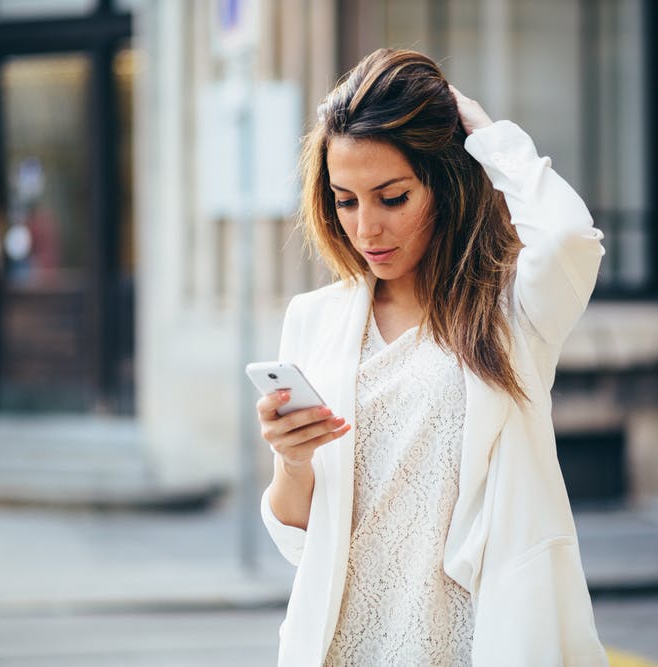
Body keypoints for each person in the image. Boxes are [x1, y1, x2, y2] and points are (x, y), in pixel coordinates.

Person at [257, 48, 608, 666]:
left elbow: (569, 237)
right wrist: (293, 461)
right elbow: (295, 541)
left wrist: (487, 136)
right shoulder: (314, 321)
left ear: (442, 186)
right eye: (346, 201)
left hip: (474, 645)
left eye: (392, 198)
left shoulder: (509, 313)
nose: (367, 229)